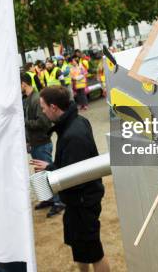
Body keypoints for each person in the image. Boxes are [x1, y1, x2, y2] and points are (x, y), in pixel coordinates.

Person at [31, 86, 110, 272]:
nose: (42, 111)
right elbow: (75, 167)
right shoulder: (74, 122)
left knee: (94, 252)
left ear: (53, 107)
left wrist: (50, 169)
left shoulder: (74, 134)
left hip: (83, 202)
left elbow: (77, 176)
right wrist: (50, 167)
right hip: (77, 202)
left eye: (43, 107)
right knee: (79, 248)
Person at [21, 73, 64, 217]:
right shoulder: (27, 99)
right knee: (40, 173)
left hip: (42, 142)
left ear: (23, 83)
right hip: (35, 142)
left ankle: (59, 201)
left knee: (49, 172)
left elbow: (44, 122)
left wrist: (23, 123)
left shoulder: (36, 99)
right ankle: (49, 198)